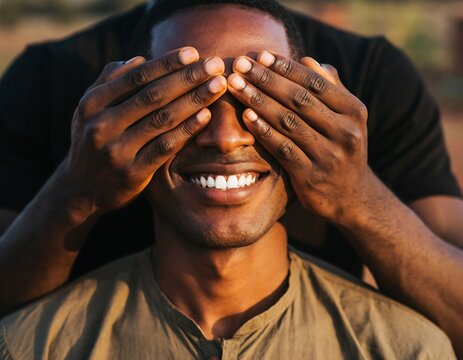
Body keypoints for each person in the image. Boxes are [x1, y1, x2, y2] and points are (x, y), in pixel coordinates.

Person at [0, 0, 462, 355]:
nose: (225, 138)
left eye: (254, 101)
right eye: (189, 100)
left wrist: (355, 197)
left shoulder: (374, 73)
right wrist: (78, 191)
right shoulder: (48, 75)